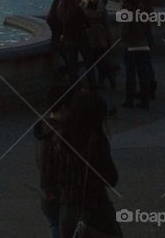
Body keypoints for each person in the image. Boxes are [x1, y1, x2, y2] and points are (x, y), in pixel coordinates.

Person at [55, 91, 121, 237]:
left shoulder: (60, 138)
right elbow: (110, 179)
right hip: (93, 208)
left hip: (67, 207)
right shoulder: (95, 141)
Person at [34, 85, 73, 238]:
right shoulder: (60, 135)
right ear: (64, 107)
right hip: (61, 198)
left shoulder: (44, 129)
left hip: (49, 196)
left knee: (55, 228)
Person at [120, 0, 154, 109]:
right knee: (143, 73)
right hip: (143, 45)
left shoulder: (126, 11)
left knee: (131, 75)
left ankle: (129, 101)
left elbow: (125, 31)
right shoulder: (142, 11)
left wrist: (122, 39)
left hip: (130, 46)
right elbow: (147, 27)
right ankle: (145, 101)